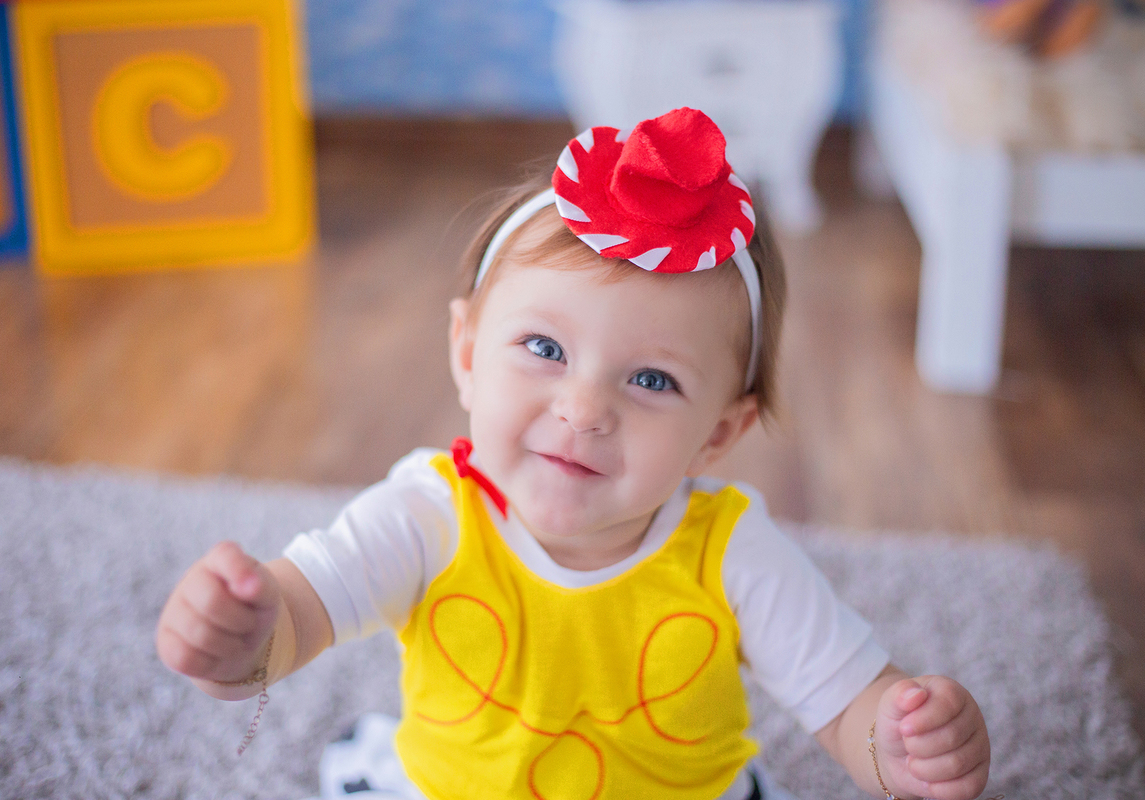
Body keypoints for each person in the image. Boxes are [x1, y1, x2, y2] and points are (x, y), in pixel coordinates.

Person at [156, 108, 991, 800]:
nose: (585, 409)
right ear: (467, 353)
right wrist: (240, 639)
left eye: (653, 380)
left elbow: (848, 708)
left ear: (718, 434)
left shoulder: (732, 553)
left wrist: (902, 748)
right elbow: (298, 618)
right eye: (545, 350)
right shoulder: (427, 513)